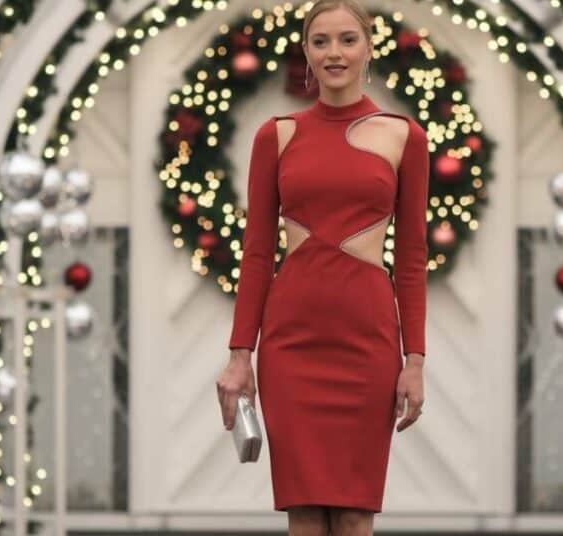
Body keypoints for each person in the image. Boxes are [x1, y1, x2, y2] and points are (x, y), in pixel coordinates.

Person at [215, 0, 428, 533]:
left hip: (367, 341)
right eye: (321, 41)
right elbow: (258, 253)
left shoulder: (404, 135)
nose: (335, 52)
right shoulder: (277, 134)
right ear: (307, 53)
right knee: (305, 514)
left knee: (356, 516)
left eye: (347, 40)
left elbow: (412, 259)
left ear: (368, 47)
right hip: (292, 344)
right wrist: (240, 357)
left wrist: (415, 360)